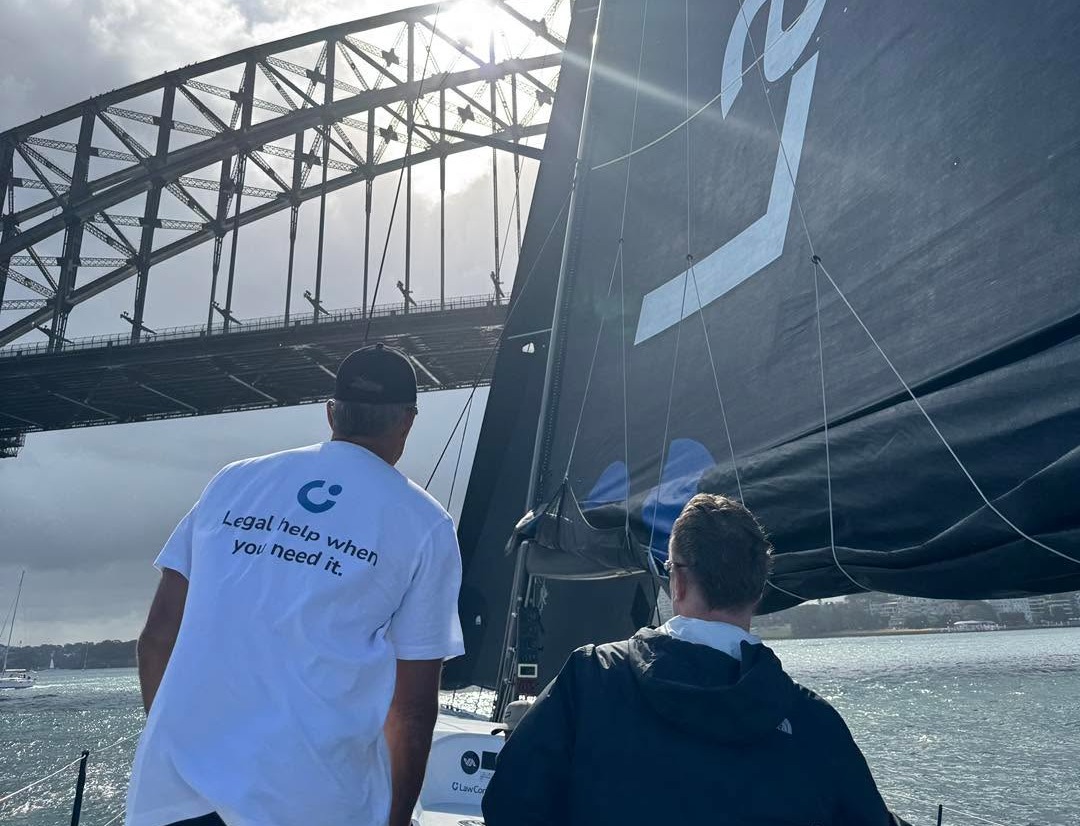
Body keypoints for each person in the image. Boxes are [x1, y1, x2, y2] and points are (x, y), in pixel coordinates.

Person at [127, 344, 463, 826]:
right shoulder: (425, 524)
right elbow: (409, 710)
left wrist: (176, 746)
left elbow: (156, 638)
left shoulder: (233, 481)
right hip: (311, 805)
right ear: (407, 422)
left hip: (171, 800)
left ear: (331, 414)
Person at [483, 493, 907, 826]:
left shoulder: (590, 677)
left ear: (678, 581)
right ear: (759, 591)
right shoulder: (814, 724)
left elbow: (509, 805)